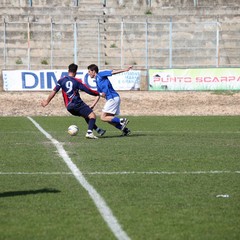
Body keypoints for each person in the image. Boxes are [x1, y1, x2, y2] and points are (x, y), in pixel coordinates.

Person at [41, 63, 105, 139]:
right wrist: (99, 94)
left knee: (86, 116)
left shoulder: (61, 80)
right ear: (76, 72)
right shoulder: (77, 81)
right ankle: (89, 133)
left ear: (68, 70)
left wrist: (47, 101)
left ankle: (98, 130)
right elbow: (88, 90)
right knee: (92, 115)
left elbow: (54, 91)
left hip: (69, 107)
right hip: (77, 103)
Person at [87, 64, 132, 136]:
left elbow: (113, 72)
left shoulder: (100, 75)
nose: (88, 73)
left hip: (112, 98)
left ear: (93, 71)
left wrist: (125, 70)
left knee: (103, 117)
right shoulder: (97, 81)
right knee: (109, 119)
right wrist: (93, 105)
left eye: (89, 71)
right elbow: (98, 95)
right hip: (113, 98)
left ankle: (121, 120)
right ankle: (125, 130)